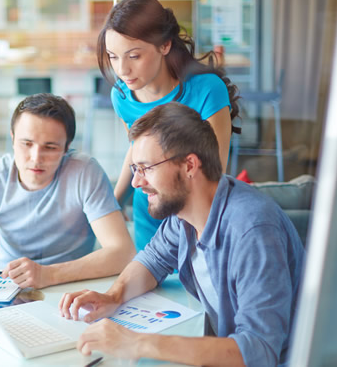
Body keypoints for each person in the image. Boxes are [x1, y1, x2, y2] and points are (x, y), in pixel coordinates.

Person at [59, 103, 304, 366]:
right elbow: (151, 261)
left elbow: (259, 351)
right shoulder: (185, 214)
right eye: (135, 169)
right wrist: (113, 296)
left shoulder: (252, 230)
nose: (136, 182)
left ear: (189, 165)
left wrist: (136, 342)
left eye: (146, 168)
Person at [0, 93, 135, 289]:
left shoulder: (85, 173)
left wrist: (47, 275)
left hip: (66, 287)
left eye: (50, 147)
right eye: (26, 143)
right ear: (12, 139)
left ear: (67, 148)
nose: (35, 158)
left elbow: (122, 253)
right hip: (1, 284)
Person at [96, 0, 241, 250]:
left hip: (198, 213)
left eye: (134, 56)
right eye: (113, 56)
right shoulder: (122, 97)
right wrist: (114, 205)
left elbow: (214, 173)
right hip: (150, 209)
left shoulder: (207, 90)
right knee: (151, 288)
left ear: (164, 46)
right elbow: (136, 154)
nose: (122, 70)